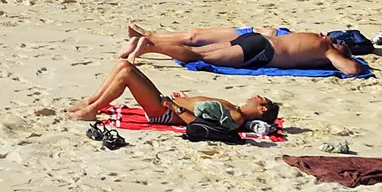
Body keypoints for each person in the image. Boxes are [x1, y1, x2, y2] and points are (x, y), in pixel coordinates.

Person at [66, 58, 279, 130]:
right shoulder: (234, 108)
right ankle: (91, 102)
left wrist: (175, 107)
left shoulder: (237, 117)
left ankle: (92, 110)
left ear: (262, 109)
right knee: (124, 65)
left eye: (263, 99)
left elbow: (198, 123)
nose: (257, 95)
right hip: (167, 104)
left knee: (127, 73)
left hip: (164, 112)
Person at [118, 23, 368, 75]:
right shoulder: (325, 48)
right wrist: (341, 57)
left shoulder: (316, 39)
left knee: (201, 51)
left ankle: (149, 43)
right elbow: (352, 70)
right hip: (261, 52)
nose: (328, 36)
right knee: (198, 55)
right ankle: (149, 47)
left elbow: (272, 30)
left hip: (255, 41)